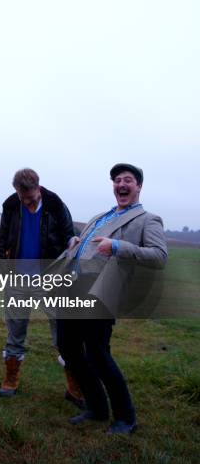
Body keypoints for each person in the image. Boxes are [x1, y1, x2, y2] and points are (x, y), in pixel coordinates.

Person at [56, 163, 168, 434]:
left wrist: (117, 246)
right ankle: (96, 408)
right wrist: (76, 243)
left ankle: (125, 418)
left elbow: (159, 256)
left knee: (97, 354)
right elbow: (87, 244)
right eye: (117, 180)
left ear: (138, 186)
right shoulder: (99, 217)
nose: (121, 184)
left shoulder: (147, 219)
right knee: (68, 348)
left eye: (127, 180)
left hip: (102, 292)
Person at [0, 168, 80, 401]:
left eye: (31, 198)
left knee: (62, 333)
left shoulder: (55, 203)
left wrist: (73, 242)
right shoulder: (11, 205)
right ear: (16, 191)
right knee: (15, 331)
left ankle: (75, 386)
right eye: (23, 198)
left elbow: (68, 235)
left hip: (50, 279)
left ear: (38, 188)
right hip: (17, 280)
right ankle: (10, 380)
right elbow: (3, 241)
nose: (27, 202)